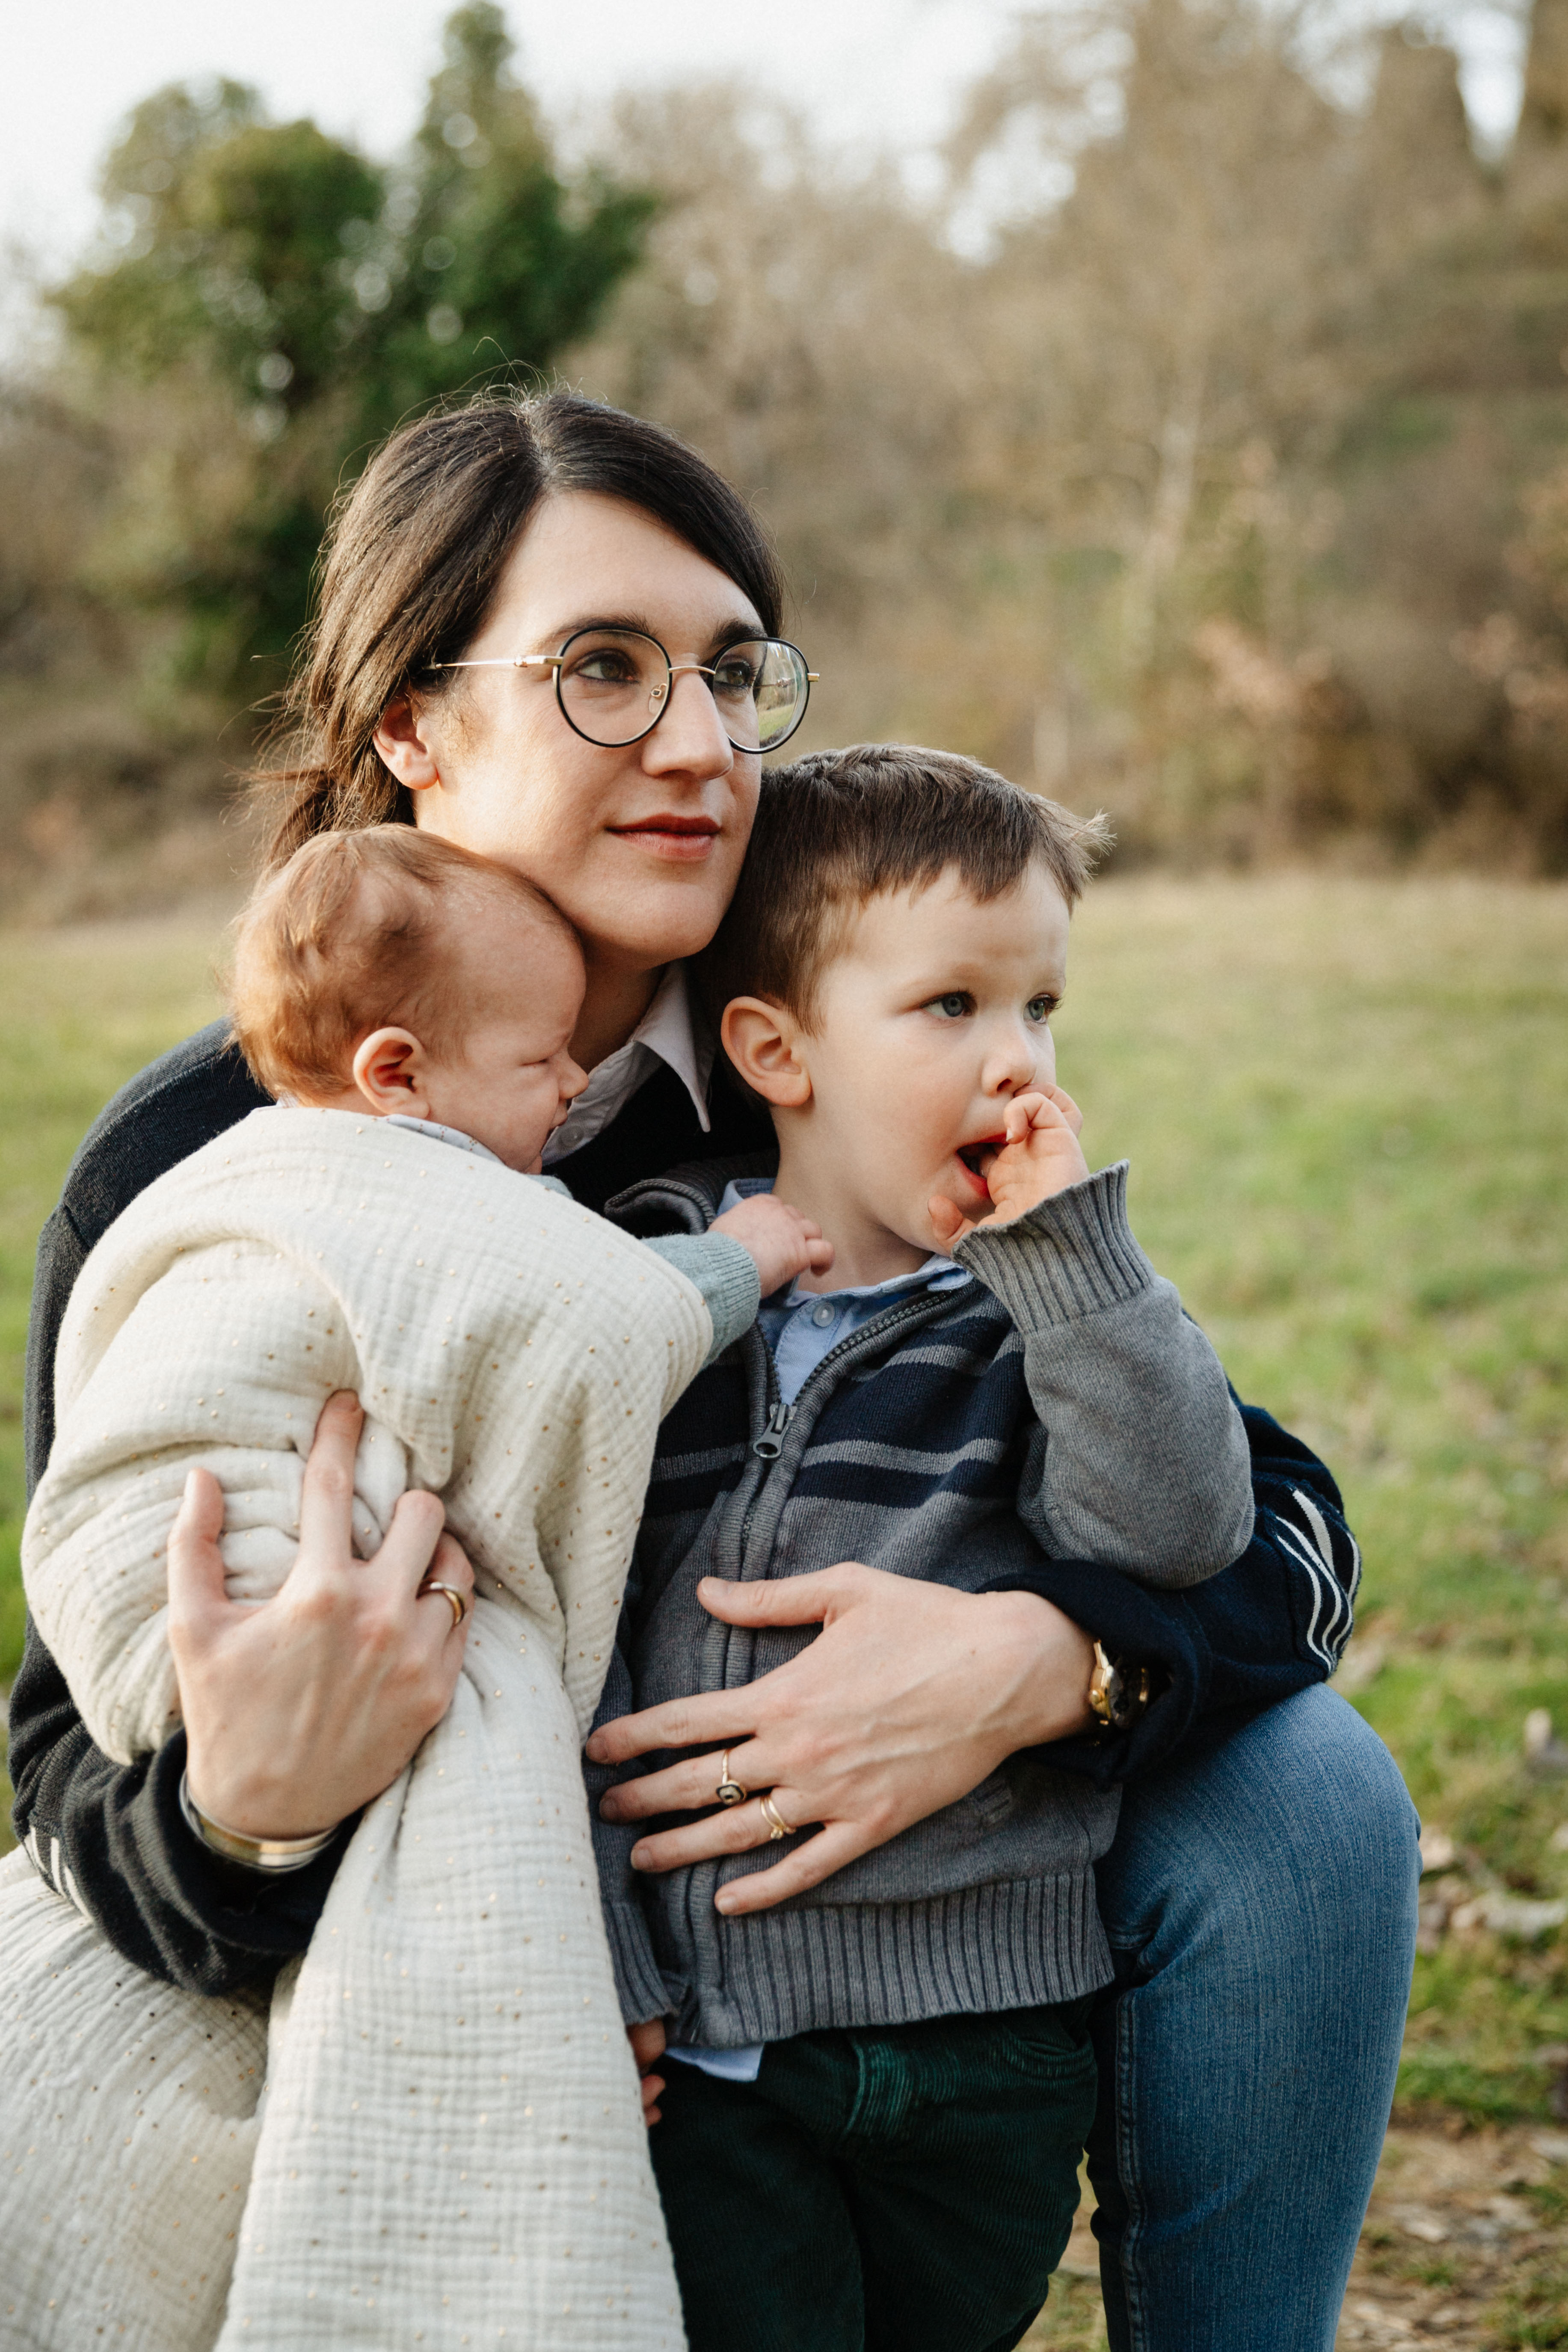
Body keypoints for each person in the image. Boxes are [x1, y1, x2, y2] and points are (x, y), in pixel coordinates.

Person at [8, 389, 1418, 2352]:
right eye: (601, 668)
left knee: (1307, 1797)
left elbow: (1278, 1522)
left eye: (731, 671)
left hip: (906, 1921)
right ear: (411, 724)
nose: (696, 741)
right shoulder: (237, 1151)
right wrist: (244, 1808)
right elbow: (65, 1751)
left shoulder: (833, 1044)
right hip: (495, 1909)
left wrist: (1044, 1663)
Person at [8, 820, 830, 2347]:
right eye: (540, 1062)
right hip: (239, 1580)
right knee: (471, 1795)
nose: (570, 1087)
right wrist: (741, 1260)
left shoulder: (819, 1033)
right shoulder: (358, 1175)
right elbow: (592, 1317)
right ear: (396, 1074)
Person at [587, 745, 1258, 2352]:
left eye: (1040, 1008)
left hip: (991, 2042)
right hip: (719, 2062)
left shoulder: (1052, 1316)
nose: (1016, 1062)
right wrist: (599, 1963)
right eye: (950, 1005)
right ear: (776, 1049)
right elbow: (556, 1641)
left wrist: (1072, 1267)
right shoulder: (648, 1296)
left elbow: (1178, 1530)